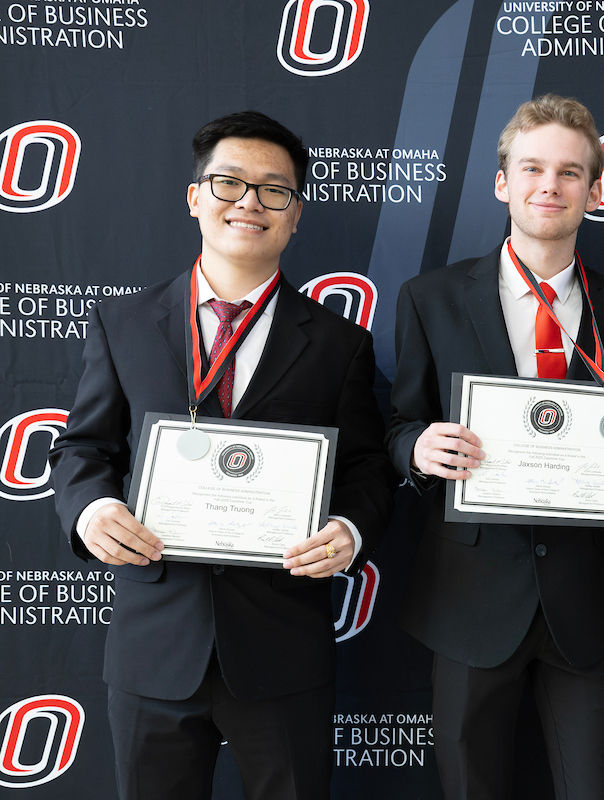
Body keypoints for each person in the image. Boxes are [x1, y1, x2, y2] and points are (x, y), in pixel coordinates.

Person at [48, 110, 396, 800]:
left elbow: (366, 468)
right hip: (155, 643)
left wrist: (350, 530)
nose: (250, 204)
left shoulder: (339, 343)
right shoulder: (122, 323)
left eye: (275, 191)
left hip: (282, 647)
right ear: (195, 197)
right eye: (230, 183)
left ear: (295, 216)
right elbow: (83, 446)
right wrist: (91, 510)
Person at [386, 94, 604, 800]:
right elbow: (395, 425)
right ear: (502, 181)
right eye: (532, 168)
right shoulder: (430, 298)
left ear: (596, 192)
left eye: (571, 173)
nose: (550, 186)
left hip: (583, 601)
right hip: (471, 596)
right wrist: (417, 449)